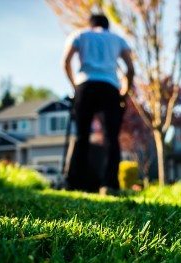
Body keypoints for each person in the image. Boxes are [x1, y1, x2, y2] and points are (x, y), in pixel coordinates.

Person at [62, 14, 134, 194]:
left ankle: (75, 183)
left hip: (85, 86)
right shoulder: (118, 39)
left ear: (91, 24)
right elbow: (130, 69)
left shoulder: (80, 35)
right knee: (112, 137)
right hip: (110, 87)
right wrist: (124, 92)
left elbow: (66, 62)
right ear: (107, 26)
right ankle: (109, 185)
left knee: (82, 136)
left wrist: (75, 87)